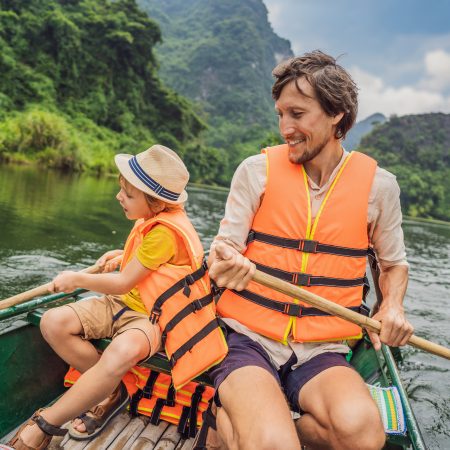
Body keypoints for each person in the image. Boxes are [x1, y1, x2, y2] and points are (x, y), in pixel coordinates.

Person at [206, 51, 414, 450]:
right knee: (271, 443)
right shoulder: (256, 170)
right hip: (249, 338)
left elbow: (393, 265)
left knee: (364, 435)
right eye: (281, 114)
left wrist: (393, 307)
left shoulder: (380, 188)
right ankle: (254, 425)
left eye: (298, 114)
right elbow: (224, 248)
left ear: (336, 114)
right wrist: (225, 260)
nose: (286, 127)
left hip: (324, 347)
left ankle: (246, 425)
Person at [5, 145, 227, 450]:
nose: (118, 197)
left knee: (121, 352)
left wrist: (76, 279)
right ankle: (113, 389)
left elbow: (123, 283)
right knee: (54, 322)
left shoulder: (165, 232)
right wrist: (125, 255)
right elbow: (149, 263)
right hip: (120, 305)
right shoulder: (152, 219)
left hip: (152, 317)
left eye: (128, 194)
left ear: (157, 203)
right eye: (121, 189)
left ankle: (45, 423)